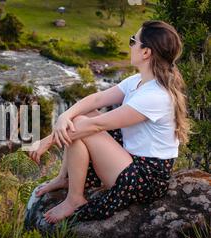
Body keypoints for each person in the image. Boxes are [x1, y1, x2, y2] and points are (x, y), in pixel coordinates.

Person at [28, 20, 190, 224]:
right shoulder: (137, 81)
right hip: (132, 156)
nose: (129, 45)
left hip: (145, 177)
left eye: (133, 41)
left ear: (146, 52)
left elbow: (97, 126)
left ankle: (74, 199)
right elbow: (96, 100)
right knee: (83, 118)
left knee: (85, 128)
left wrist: (48, 141)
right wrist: (63, 117)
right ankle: (64, 178)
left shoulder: (155, 96)